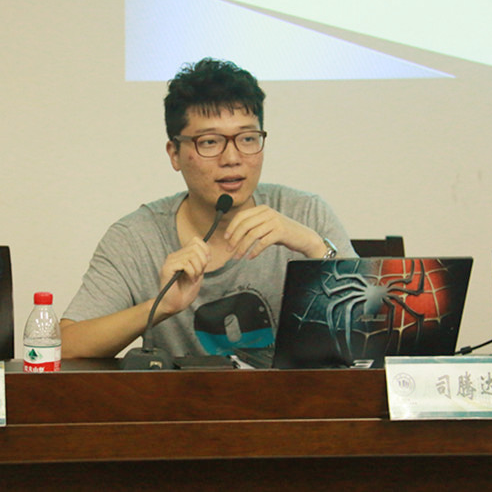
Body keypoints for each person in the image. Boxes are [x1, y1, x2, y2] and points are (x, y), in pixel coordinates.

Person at [61, 58, 356, 358]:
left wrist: (315, 249)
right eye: (210, 142)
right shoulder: (137, 237)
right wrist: (161, 306)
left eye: (248, 138)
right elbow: (66, 345)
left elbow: (371, 331)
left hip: (295, 391)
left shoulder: (305, 213)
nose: (232, 158)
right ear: (174, 154)